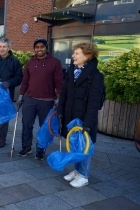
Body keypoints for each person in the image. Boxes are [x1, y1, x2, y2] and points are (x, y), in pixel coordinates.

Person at [57, 42, 104, 187]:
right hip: (71, 116)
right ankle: (77, 171)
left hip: (84, 118)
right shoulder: (72, 71)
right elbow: (64, 93)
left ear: (87, 56)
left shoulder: (96, 76)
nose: (73, 56)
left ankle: (84, 175)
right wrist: (60, 112)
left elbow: (94, 102)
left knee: (84, 145)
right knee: (74, 144)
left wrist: (88, 124)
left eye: (77, 53)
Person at [16, 38, 63, 160]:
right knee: (26, 124)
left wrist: (58, 97)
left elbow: (59, 82)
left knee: (44, 127)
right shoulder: (30, 62)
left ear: (46, 48)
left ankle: (41, 149)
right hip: (30, 99)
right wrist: (21, 95)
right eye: (37, 47)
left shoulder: (55, 62)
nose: (39, 49)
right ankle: (26, 147)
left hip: (47, 100)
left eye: (42, 47)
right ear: (34, 49)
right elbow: (25, 81)